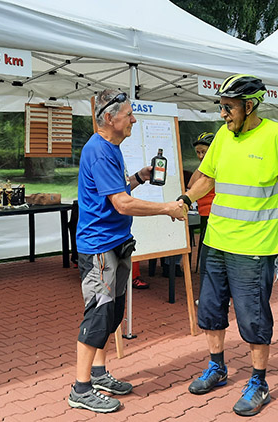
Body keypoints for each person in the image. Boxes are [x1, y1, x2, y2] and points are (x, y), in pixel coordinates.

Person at [180, 74, 278, 417]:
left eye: (229, 106)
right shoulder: (222, 135)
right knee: (211, 310)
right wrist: (185, 199)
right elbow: (207, 177)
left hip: (254, 246)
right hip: (216, 240)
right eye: (221, 106)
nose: (223, 113)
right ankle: (217, 367)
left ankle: (259, 382)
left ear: (250, 106)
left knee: (253, 318)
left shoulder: (276, 135)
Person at [68, 89, 186, 413]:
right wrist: (167, 208)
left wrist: (138, 177)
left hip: (116, 245)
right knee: (98, 314)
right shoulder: (99, 150)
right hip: (99, 248)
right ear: (110, 118)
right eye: (129, 115)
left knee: (113, 313)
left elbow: (114, 191)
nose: (134, 119)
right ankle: (80, 389)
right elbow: (121, 204)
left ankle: (99, 374)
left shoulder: (111, 148)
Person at [188, 132, 216, 269]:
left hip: (214, 213)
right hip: (204, 213)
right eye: (198, 152)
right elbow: (190, 184)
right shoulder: (204, 168)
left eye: (204, 152)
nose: (200, 156)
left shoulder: (217, 167)